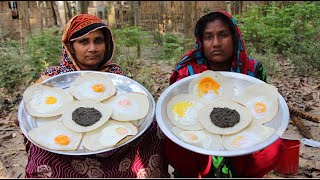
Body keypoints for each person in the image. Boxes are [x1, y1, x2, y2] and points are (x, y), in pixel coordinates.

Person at [24, 14, 170, 178]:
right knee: (41, 153)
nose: (92, 48)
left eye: (98, 41)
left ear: (107, 44)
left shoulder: (115, 74)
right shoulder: (54, 78)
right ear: (70, 47)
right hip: (69, 152)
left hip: (113, 144)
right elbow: (32, 117)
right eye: (84, 41)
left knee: (152, 129)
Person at [165, 10, 282, 178]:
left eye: (223, 35)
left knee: (273, 143)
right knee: (173, 141)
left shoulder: (252, 71)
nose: (216, 43)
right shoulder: (187, 74)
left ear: (234, 38)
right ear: (201, 42)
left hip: (243, 137)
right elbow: (174, 119)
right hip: (197, 137)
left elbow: (267, 113)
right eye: (208, 37)